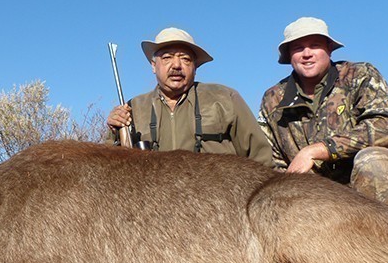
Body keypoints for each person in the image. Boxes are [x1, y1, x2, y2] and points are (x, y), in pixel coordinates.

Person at [258, 16, 388, 218]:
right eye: (298, 48)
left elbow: (386, 128)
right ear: (289, 55)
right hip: (324, 196)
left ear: (329, 49)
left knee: (373, 163)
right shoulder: (273, 98)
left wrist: (317, 151)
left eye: (315, 45)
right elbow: (271, 159)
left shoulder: (360, 74)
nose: (307, 54)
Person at [106, 27, 272, 165]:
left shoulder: (225, 98)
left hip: (219, 201)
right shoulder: (133, 108)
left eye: (185, 59)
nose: (176, 65)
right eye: (167, 58)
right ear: (153, 66)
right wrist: (114, 132)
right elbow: (112, 167)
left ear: (195, 67)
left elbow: (260, 158)